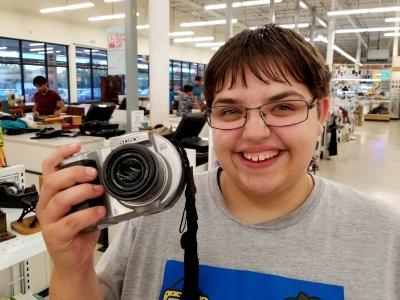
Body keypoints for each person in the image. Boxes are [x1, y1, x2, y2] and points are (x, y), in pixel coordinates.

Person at [36, 24, 400, 299]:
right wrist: (72, 267)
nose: (255, 132)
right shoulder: (155, 211)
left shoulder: (385, 237)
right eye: (230, 110)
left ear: (321, 114)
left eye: (282, 107)